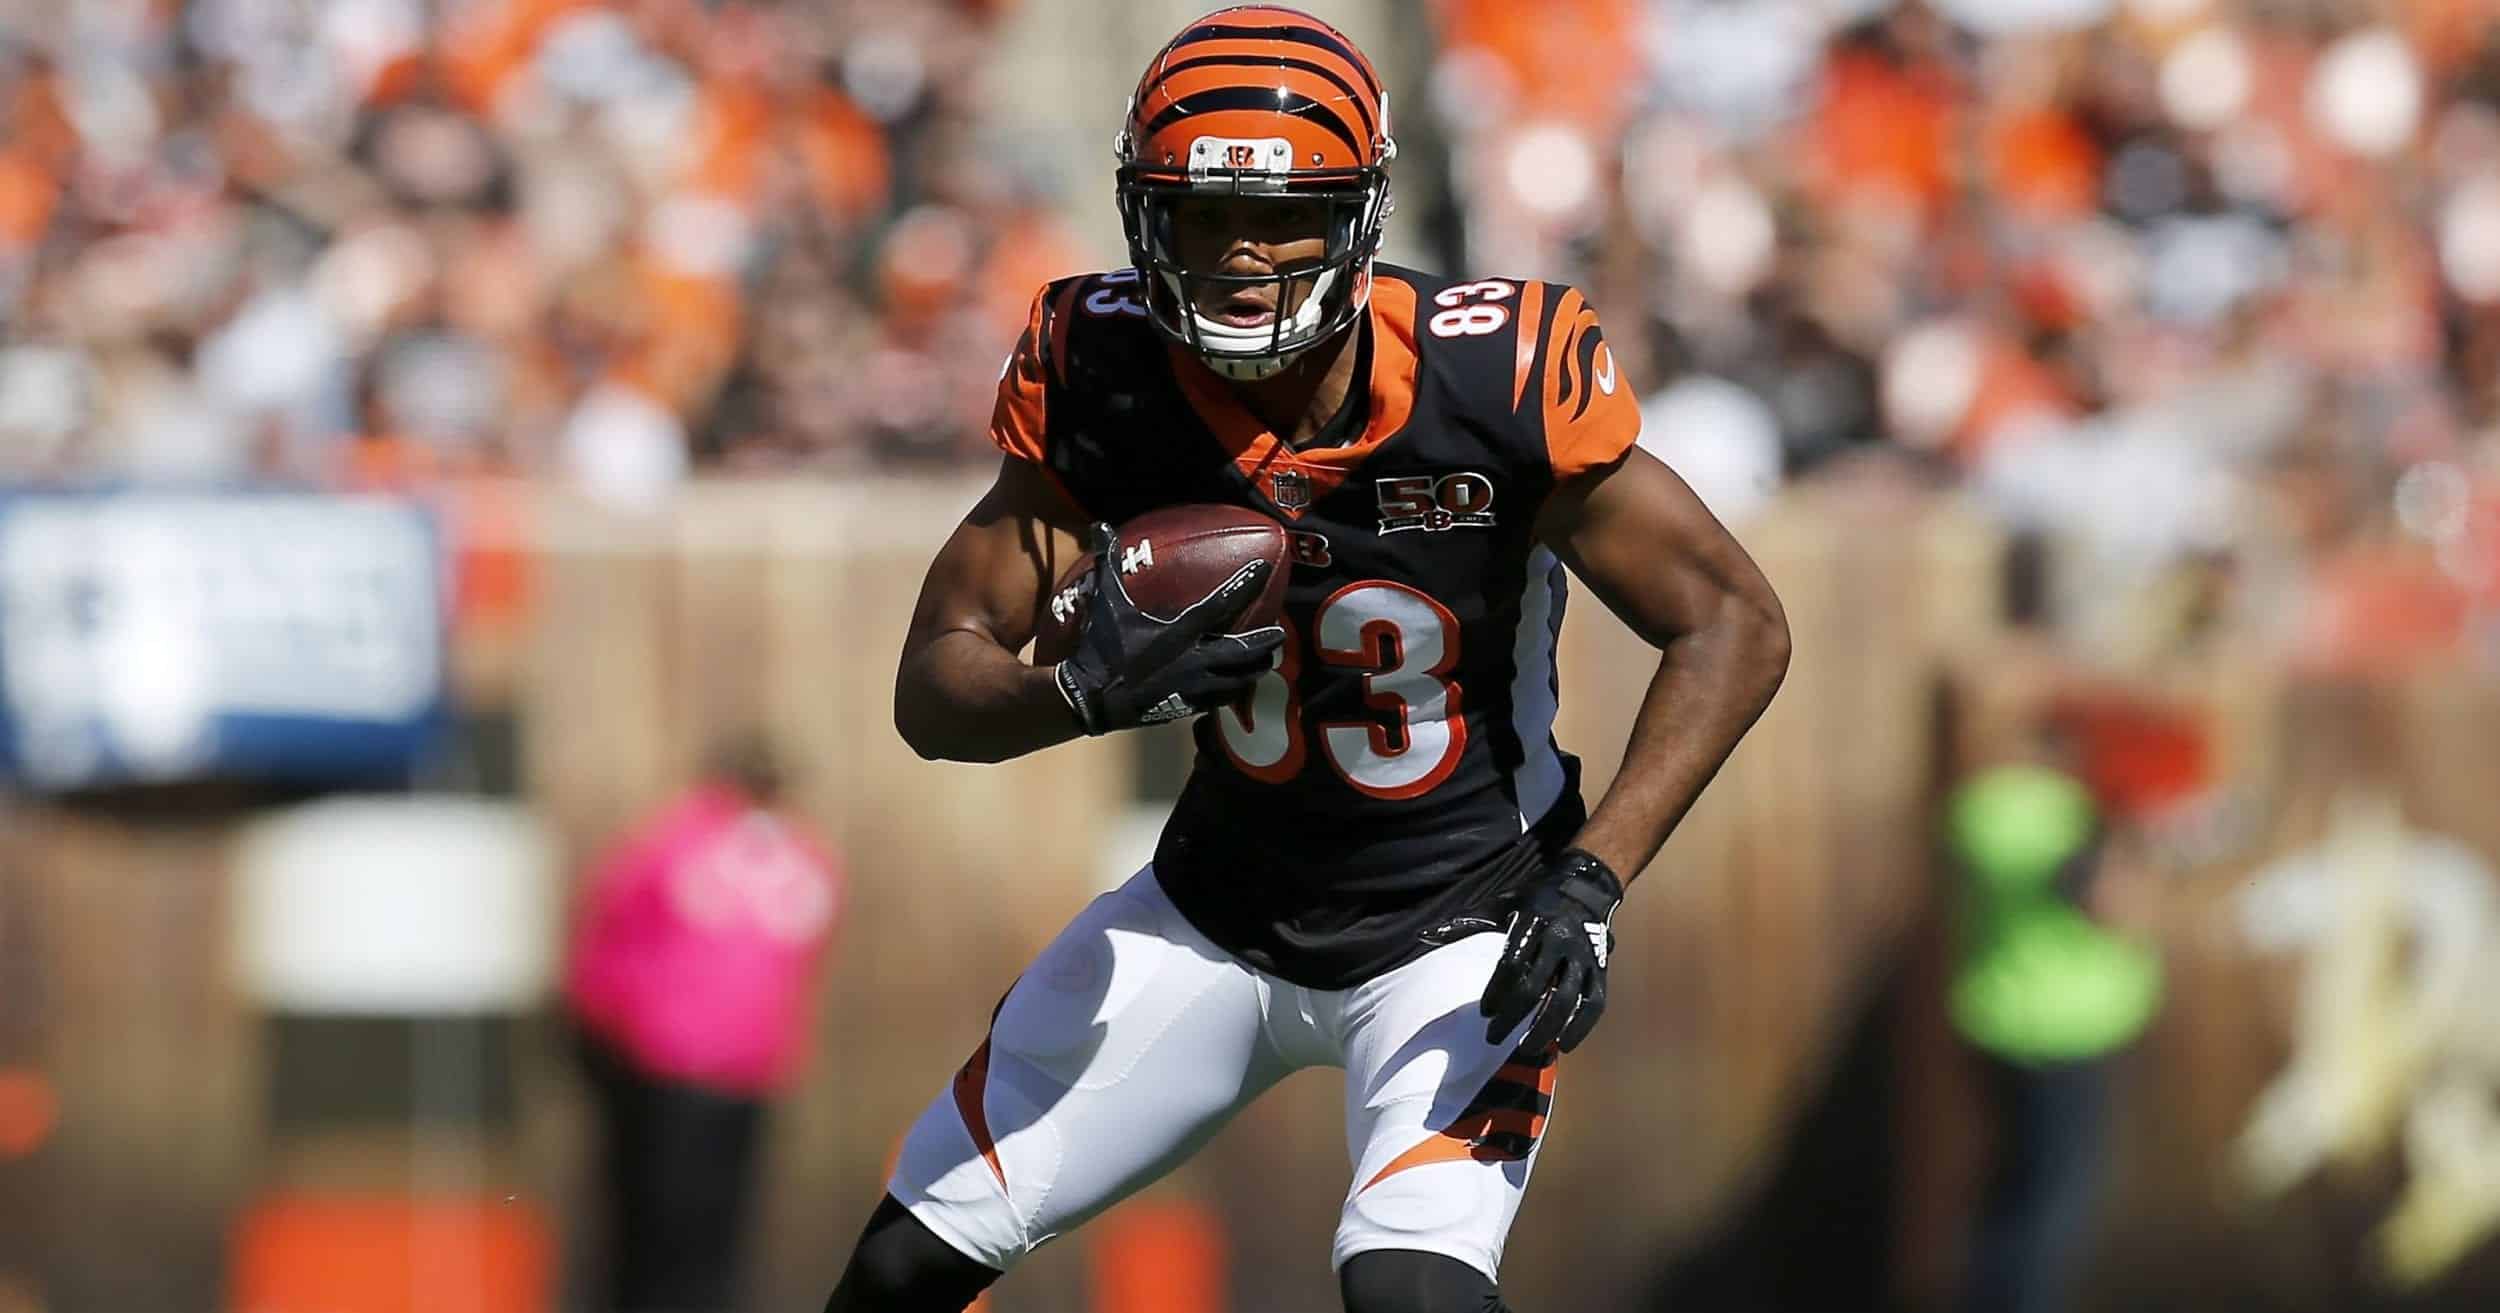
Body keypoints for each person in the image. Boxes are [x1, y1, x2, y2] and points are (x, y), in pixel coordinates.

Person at [824, 9, 1791, 1311]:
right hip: (1212, 912)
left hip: (1467, 916)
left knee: (1406, 1288)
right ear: (1141, 214)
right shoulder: (1103, 373)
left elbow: (1734, 620)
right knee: (896, 1270)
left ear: (1364, 215)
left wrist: (1592, 881)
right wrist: (1076, 692)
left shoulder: (1490, 379)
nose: (1242, 259)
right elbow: (934, 689)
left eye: (1285, 217)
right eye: (1204, 219)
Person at [563, 735, 844, 1313]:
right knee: (720, 1234)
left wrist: (595, 1030)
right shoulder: (809, 859)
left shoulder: (673, 840)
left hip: (662, 1066)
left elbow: (607, 933)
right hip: (750, 1072)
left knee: (645, 1237)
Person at [1943, 764, 2164, 1313]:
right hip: (2060, 1038)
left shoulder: (1993, 808)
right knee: (2048, 1209)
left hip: (2015, 1024)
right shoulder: (2067, 821)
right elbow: (2101, 898)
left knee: (2020, 1195)